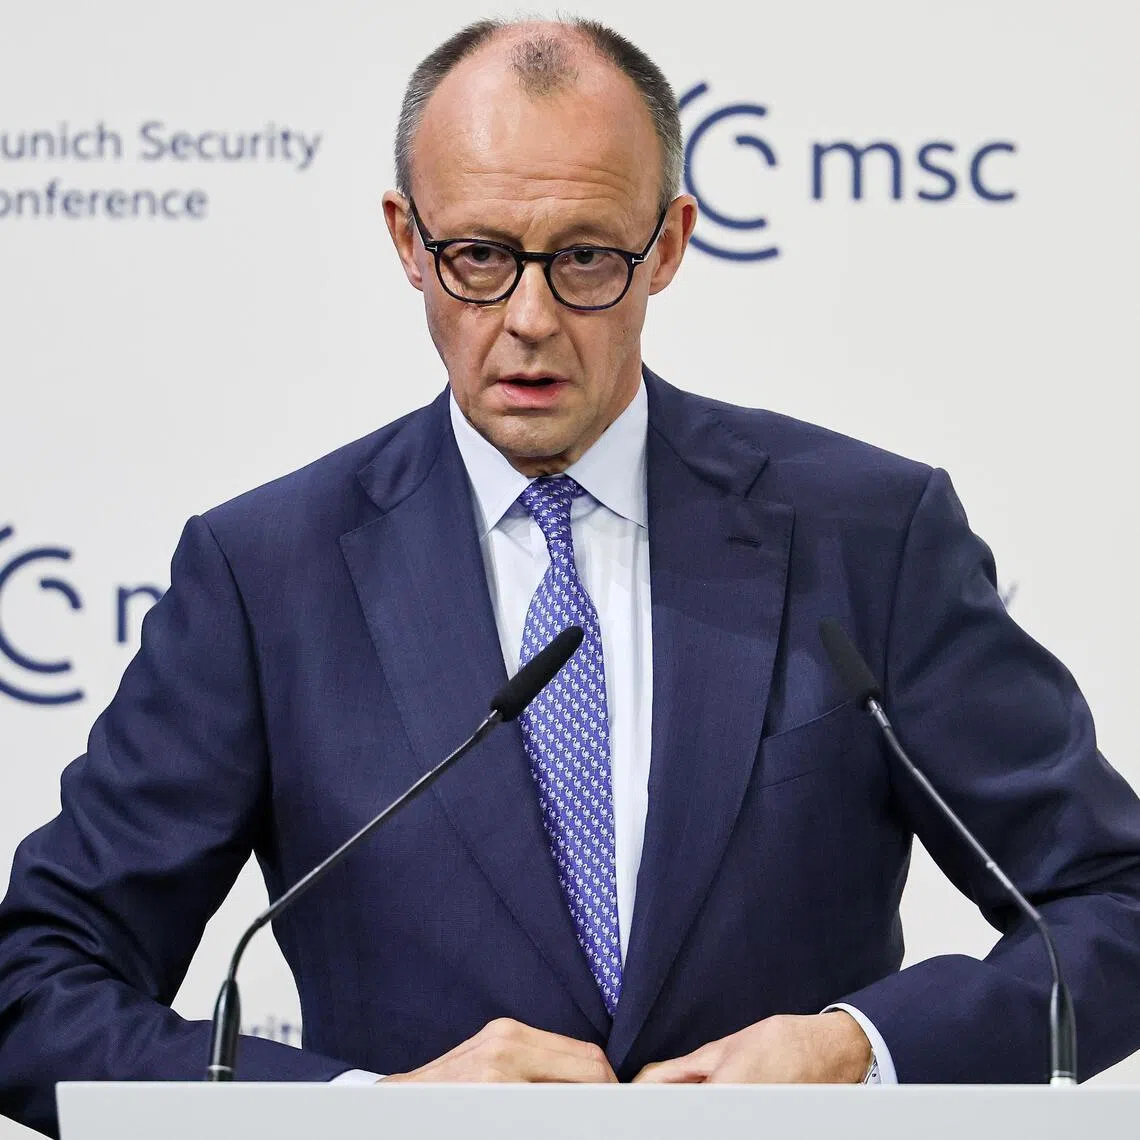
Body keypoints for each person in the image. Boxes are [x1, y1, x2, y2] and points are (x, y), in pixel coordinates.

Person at [3, 16, 1140, 1136]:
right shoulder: (267, 576)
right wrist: (369, 1114)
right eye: (480, 257)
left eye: (588, 257)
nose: (531, 319)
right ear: (408, 240)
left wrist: (864, 1050)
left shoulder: (866, 534)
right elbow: (36, 986)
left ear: (672, 242)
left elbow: (1114, 904)